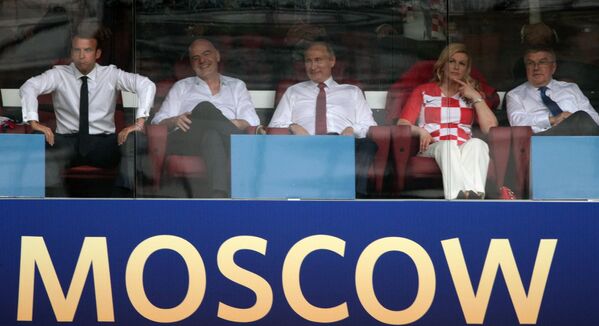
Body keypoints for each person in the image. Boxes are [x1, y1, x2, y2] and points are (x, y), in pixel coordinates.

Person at [19, 23, 156, 197]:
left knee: (137, 139)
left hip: (103, 144)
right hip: (67, 143)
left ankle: (123, 197)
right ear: (71, 53)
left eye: (87, 50)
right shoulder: (59, 74)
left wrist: (139, 122)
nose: (82, 56)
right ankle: (51, 200)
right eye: (77, 50)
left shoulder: (110, 74)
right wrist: (34, 122)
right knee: (38, 140)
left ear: (97, 53)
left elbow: (146, 84)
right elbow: (29, 87)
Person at [151, 38, 261, 198]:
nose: (202, 60)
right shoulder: (181, 86)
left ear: (217, 56)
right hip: (187, 138)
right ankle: (246, 150)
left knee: (212, 135)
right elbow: (157, 121)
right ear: (191, 63)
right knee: (204, 107)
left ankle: (219, 196)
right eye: (195, 58)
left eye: (206, 54)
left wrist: (228, 123)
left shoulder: (237, 85)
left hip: (220, 142)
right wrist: (174, 120)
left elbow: (252, 120)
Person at [268, 41, 378, 197]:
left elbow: (370, 126)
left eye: (318, 60)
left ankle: (355, 196)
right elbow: (275, 127)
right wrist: (293, 126)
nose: (313, 67)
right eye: (308, 61)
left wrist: (352, 129)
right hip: (307, 145)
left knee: (368, 144)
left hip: (343, 144)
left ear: (332, 61)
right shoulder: (294, 91)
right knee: (331, 140)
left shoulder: (352, 91)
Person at [396, 43, 498, 200]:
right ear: (443, 65)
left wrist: (476, 97)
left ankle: (474, 196)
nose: (456, 67)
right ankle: (457, 198)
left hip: (463, 147)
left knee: (479, 144)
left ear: (466, 70)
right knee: (448, 146)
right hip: (433, 147)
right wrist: (420, 131)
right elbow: (402, 124)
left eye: (461, 63)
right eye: (452, 61)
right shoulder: (423, 91)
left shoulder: (471, 95)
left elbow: (490, 128)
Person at [507, 47, 599, 135]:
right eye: (530, 63)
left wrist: (572, 120)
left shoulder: (571, 88)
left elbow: (595, 119)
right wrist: (552, 120)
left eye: (542, 62)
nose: (536, 68)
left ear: (553, 67)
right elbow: (517, 123)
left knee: (581, 117)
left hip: (578, 139)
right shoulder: (515, 95)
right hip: (541, 140)